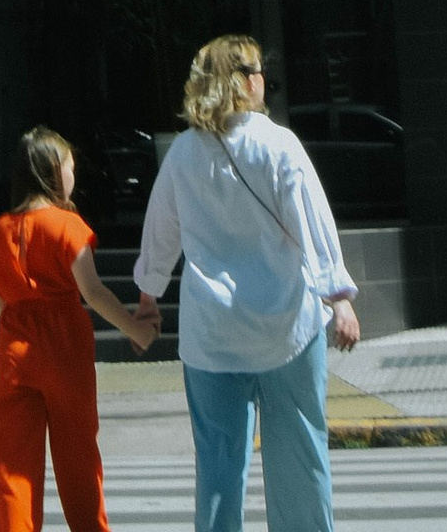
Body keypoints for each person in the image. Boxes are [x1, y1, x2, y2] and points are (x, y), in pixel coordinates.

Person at [133, 35, 357, 532]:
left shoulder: (183, 152)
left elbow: (160, 233)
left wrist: (149, 296)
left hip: (212, 334)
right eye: (258, 72)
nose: (264, 82)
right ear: (241, 82)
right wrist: (338, 297)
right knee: (300, 457)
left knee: (218, 465)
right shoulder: (278, 144)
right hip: (287, 328)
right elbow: (314, 223)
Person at [0, 123, 157, 532]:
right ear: (53, 172)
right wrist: (137, 329)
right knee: (78, 459)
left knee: (13, 471)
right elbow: (93, 292)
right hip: (64, 348)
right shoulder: (67, 226)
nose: (74, 175)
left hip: (14, 351)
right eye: (70, 167)